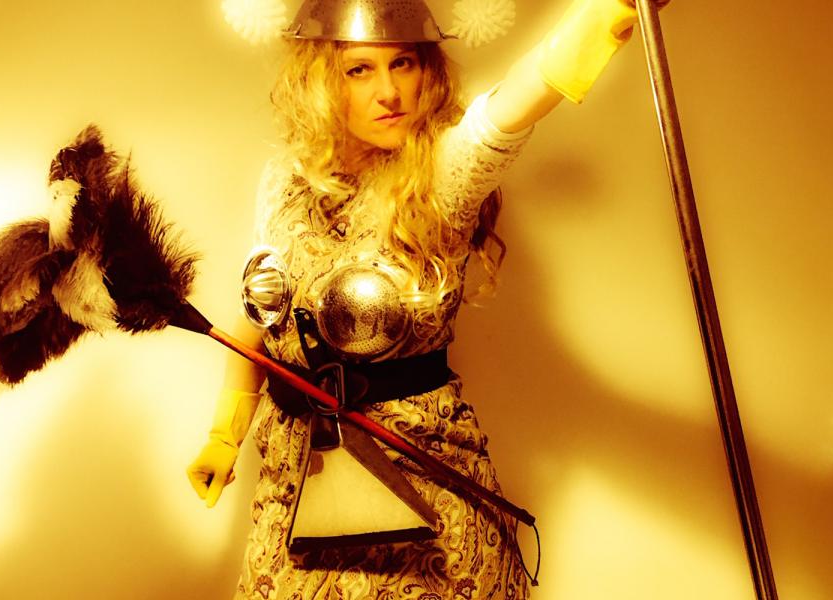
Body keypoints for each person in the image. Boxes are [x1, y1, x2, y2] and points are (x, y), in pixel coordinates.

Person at [186, 0, 664, 597]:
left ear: (425, 71)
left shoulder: (445, 170)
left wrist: (610, 10)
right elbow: (260, 313)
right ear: (321, 81)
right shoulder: (284, 179)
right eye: (359, 70)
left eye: (403, 63)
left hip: (422, 473)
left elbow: (519, 97)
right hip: (302, 476)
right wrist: (225, 433)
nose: (389, 92)